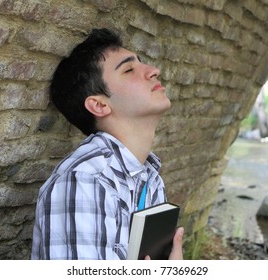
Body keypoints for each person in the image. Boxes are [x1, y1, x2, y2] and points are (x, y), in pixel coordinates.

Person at [31, 28, 183, 260]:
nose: (154, 71)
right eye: (129, 69)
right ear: (100, 105)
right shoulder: (84, 180)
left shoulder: (150, 178)